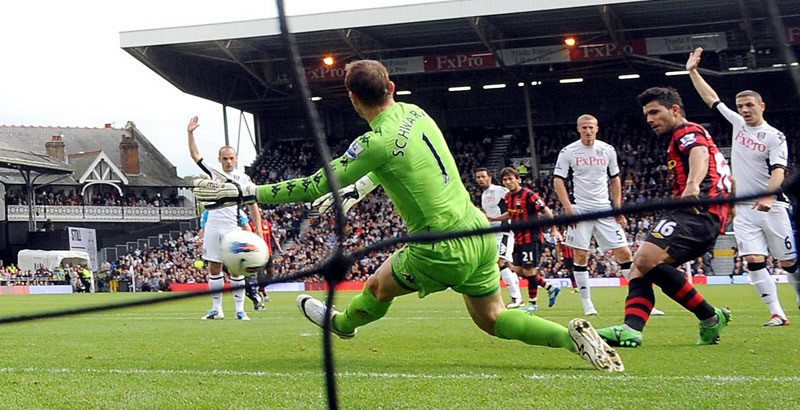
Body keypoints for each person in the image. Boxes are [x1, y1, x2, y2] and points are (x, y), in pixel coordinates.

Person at [195, 59, 623, 372]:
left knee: (377, 287)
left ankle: (342, 324)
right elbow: (405, 162)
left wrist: (246, 190)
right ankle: (571, 338)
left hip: (438, 246)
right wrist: (360, 189)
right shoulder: (416, 113)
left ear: (352, 98)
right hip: (477, 230)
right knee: (492, 317)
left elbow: (313, 185)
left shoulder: (373, 142)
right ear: (392, 87)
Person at [598, 86, 732, 348]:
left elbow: (700, 153)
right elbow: (723, 170)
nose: (650, 119)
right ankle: (635, 329)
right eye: (647, 115)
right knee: (639, 269)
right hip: (703, 215)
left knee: (644, 260)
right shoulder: (689, 135)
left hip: (695, 211)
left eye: (655, 112)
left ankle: (709, 316)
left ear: (675, 110)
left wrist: (692, 185)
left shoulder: (686, 131)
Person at [687, 46, 798, 325]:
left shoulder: (774, 136)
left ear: (762, 106)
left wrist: (769, 196)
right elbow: (712, 99)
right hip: (745, 209)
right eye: (741, 107)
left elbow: (779, 170)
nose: (745, 110)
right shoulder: (738, 124)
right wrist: (692, 71)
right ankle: (777, 313)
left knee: (788, 263)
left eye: (750, 105)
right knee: (754, 260)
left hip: (772, 207)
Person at [553, 114, 664, 317]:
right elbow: (558, 180)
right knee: (581, 255)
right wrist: (568, 207)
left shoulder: (607, 150)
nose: (588, 131)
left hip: (604, 208)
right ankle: (587, 303)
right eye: (584, 127)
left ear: (597, 128)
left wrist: (617, 208)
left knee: (625, 254)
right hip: (580, 209)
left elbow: (615, 179)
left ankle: (643, 301)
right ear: (579, 129)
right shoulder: (568, 151)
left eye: (591, 127)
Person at [188, 116, 262, 321]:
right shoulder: (214, 172)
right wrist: (190, 133)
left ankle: (240, 310)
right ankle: (217, 309)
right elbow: (195, 155)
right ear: (220, 159)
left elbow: (253, 205)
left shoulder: (243, 179)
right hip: (213, 225)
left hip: (232, 227)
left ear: (236, 159)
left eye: (231, 158)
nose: (228, 161)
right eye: (225, 158)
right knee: (214, 267)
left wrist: (258, 230)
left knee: (236, 268)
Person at [493, 167, 561, 312]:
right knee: (517, 269)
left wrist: (554, 228)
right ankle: (550, 288)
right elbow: (511, 213)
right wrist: (493, 219)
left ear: (518, 179)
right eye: (505, 180)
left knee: (529, 270)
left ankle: (533, 303)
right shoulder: (508, 197)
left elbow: (545, 210)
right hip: (518, 238)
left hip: (531, 237)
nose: (508, 182)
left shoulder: (529, 195)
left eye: (511, 179)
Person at [475, 167, 523, 308]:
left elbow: (515, 201)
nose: (480, 179)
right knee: (506, 264)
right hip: (492, 233)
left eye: (483, 176)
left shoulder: (500, 190)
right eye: (478, 177)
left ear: (490, 177)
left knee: (500, 261)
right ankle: (519, 297)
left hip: (504, 230)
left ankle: (516, 298)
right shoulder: (484, 195)